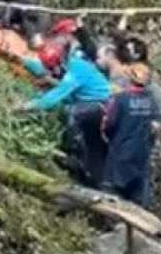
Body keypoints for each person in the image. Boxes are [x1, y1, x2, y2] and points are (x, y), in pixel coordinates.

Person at [22, 20, 111, 186]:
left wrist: (28, 106)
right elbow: (52, 76)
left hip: (99, 106)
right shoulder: (68, 62)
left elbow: (58, 93)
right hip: (89, 103)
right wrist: (24, 62)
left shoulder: (77, 65)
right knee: (94, 147)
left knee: (72, 114)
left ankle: (73, 155)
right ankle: (91, 177)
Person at [101, 65, 161, 208]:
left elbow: (108, 123)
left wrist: (108, 137)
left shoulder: (120, 99)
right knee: (140, 193)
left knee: (114, 191)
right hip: (143, 151)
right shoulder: (151, 99)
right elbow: (157, 124)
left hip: (121, 151)